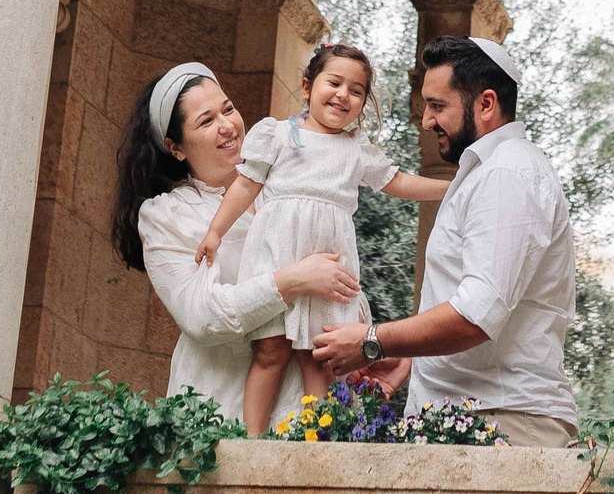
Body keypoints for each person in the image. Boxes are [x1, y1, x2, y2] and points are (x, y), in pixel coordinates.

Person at [310, 35, 579, 447]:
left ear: (486, 104)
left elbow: (477, 313)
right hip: (474, 418)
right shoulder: (485, 172)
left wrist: (372, 341)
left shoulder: (507, 174)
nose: (426, 122)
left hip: (505, 421)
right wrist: (412, 360)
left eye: (438, 107)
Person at [195, 43, 449, 434]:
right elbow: (246, 186)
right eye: (334, 82)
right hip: (277, 256)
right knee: (270, 350)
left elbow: (396, 181)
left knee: (321, 355)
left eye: (357, 90)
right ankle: (249, 439)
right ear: (307, 86)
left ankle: (323, 440)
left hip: (329, 264)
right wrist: (215, 231)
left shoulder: (355, 149)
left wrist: (449, 188)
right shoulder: (277, 135)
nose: (343, 94)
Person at [112, 62, 363, 422]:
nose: (228, 125)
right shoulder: (168, 214)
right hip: (223, 415)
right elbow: (202, 316)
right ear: (176, 147)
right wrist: (293, 280)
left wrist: (371, 338)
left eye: (227, 109)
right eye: (206, 121)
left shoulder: (285, 185)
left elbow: (331, 281)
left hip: (311, 414)